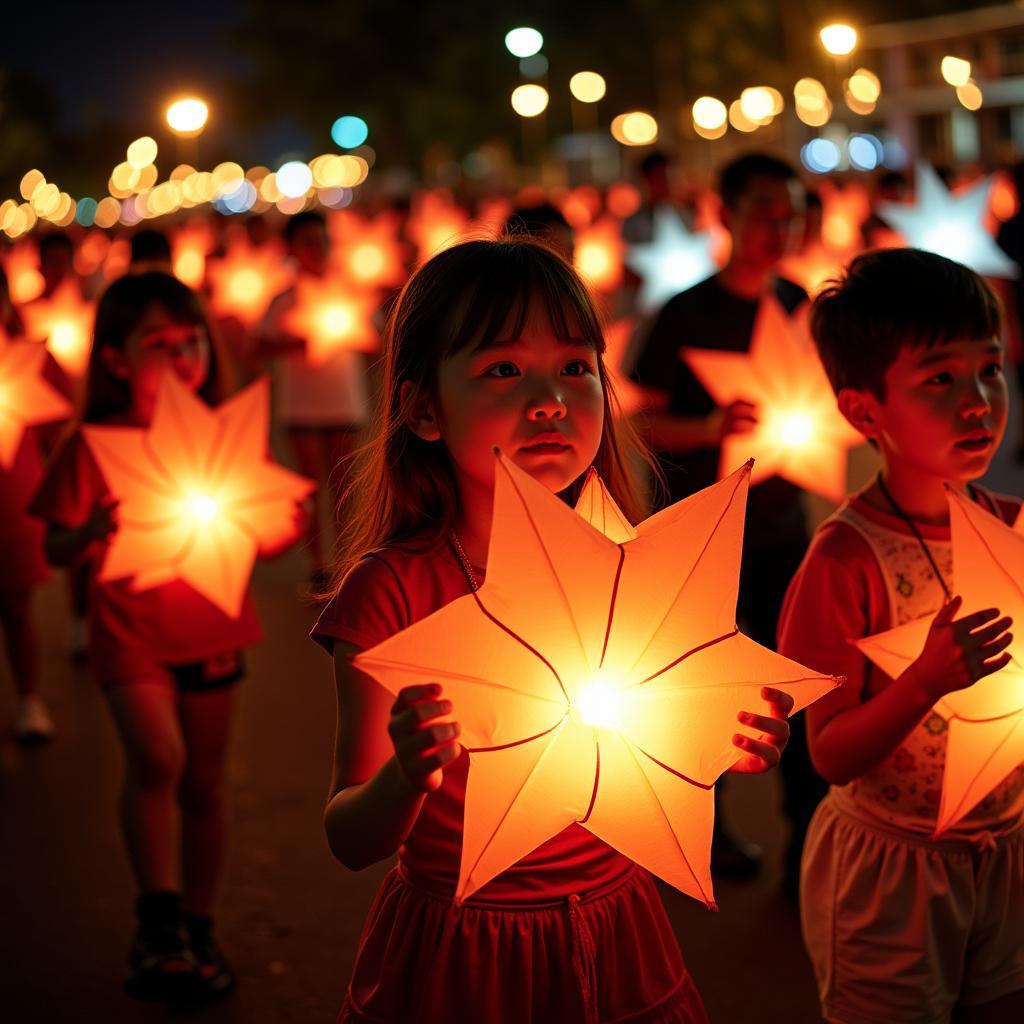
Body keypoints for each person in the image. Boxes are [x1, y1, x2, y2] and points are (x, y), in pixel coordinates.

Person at [310, 238, 795, 1024]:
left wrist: (722, 741)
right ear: (422, 407)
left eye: (576, 367)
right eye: (504, 370)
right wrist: (407, 774)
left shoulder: (633, 564)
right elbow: (349, 835)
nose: (551, 400)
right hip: (464, 955)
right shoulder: (391, 592)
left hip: (617, 929)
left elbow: (651, 747)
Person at [30, 271, 297, 1004]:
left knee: (203, 783)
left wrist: (280, 528)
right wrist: (89, 532)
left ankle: (198, 923)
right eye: (160, 345)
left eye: (193, 344)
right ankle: (158, 916)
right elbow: (52, 547)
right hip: (130, 636)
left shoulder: (226, 440)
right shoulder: (95, 443)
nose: (183, 359)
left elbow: (258, 532)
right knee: (158, 757)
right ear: (115, 358)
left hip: (210, 629)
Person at [778, 248, 1024, 1024]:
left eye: (991, 369)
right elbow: (829, 753)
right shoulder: (844, 558)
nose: (979, 401)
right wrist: (924, 681)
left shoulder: (1015, 526)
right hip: (895, 864)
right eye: (940, 380)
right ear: (863, 411)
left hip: (1009, 844)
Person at [631, 152, 817, 887]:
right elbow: (639, 424)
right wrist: (711, 425)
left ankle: (807, 832)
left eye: (791, 213)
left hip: (782, 525)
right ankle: (700, 836)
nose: (780, 227)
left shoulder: (800, 302)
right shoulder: (686, 311)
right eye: (766, 212)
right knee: (703, 690)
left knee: (795, 683)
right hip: (699, 532)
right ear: (725, 215)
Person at [260, 211, 371, 584]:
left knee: (344, 487)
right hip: (301, 407)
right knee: (309, 489)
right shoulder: (284, 299)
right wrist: (292, 342)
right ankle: (317, 566)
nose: (316, 249)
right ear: (292, 249)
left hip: (343, 402)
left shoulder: (350, 291)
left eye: (321, 240)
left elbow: (377, 336)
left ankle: (347, 562)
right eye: (307, 242)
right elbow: (257, 344)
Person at [0, 266, 57, 741]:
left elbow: (62, 417)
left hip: (14, 499)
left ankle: (27, 699)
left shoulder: (29, 359)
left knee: (17, 607)